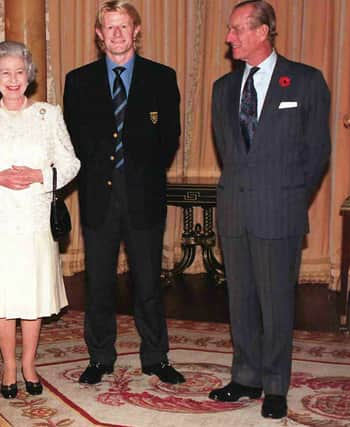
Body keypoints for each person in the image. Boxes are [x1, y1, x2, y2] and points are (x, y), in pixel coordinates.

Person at [209, 0, 331, 419]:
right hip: (234, 213)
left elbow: (317, 153)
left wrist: (291, 197)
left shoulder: (304, 82)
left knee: (277, 302)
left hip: (279, 210)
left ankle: (276, 384)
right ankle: (245, 376)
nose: (229, 38)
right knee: (240, 299)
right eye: (230, 30)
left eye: (237, 29)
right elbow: (229, 152)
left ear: (262, 31)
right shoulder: (222, 89)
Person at [63, 0, 184, 387]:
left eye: (123, 27)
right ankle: (99, 357)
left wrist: (138, 174)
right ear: (99, 35)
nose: (116, 34)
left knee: (148, 282)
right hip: (98, 199)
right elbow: (74, 141)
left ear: (136, 31)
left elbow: (169, 139)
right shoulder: (78, 80)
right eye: (109, 27)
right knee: (98, 284)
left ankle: (155, 357)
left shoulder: (162, 77)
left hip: (144, 197)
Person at [0, 41, 80, 399]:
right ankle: (9, 364)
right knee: (4, 295)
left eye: (19, 72)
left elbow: (71, 163)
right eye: (5, 73)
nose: (13, 79)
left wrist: (40, 175)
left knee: (32, 293)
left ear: (30, 76)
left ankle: (29, 363)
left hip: (35, 218)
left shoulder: (48, 114)